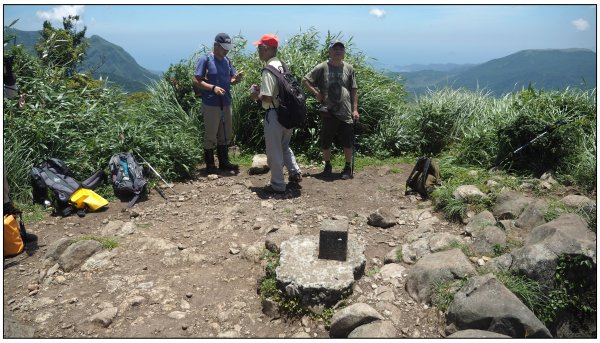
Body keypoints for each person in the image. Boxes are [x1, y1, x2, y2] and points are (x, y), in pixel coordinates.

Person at [249, 34, 302, 194]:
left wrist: (255, 95)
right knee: (285, 146)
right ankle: (294, 172)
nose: (258, 51)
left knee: (274, 151)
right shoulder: (282, 65)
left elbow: (267, 97)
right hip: (288, 112)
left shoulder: (268, 70)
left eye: (259, 48)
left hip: (274, 114)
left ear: (266, 49)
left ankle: (278, 185)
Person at [303, 40, 360, 180]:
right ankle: (327, 165)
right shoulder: (323, 67)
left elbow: (354, 89)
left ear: (344, 52)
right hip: (328, 111)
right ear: (329, 51)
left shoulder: (349, 68)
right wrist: (316, 93)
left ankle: (347, 167)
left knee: (347, 141)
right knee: (326, 141)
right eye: (335, 48)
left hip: (346, 111)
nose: (338, 51)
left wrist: (355, 109)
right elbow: (305, 80)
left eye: (341, 49)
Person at [194, 33, 243, 174]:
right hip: (210, 104)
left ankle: (224, 162)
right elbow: (196, 80)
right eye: (224, 48)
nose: (227, 50)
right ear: (216, 45)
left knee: (226, 134)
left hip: (226, 102)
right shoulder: (205, 59)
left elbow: (231, 80)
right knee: (210, 135)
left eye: (228, 48)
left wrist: (236, 79)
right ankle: (210, 165)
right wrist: (213, 88)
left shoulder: (227, 60)